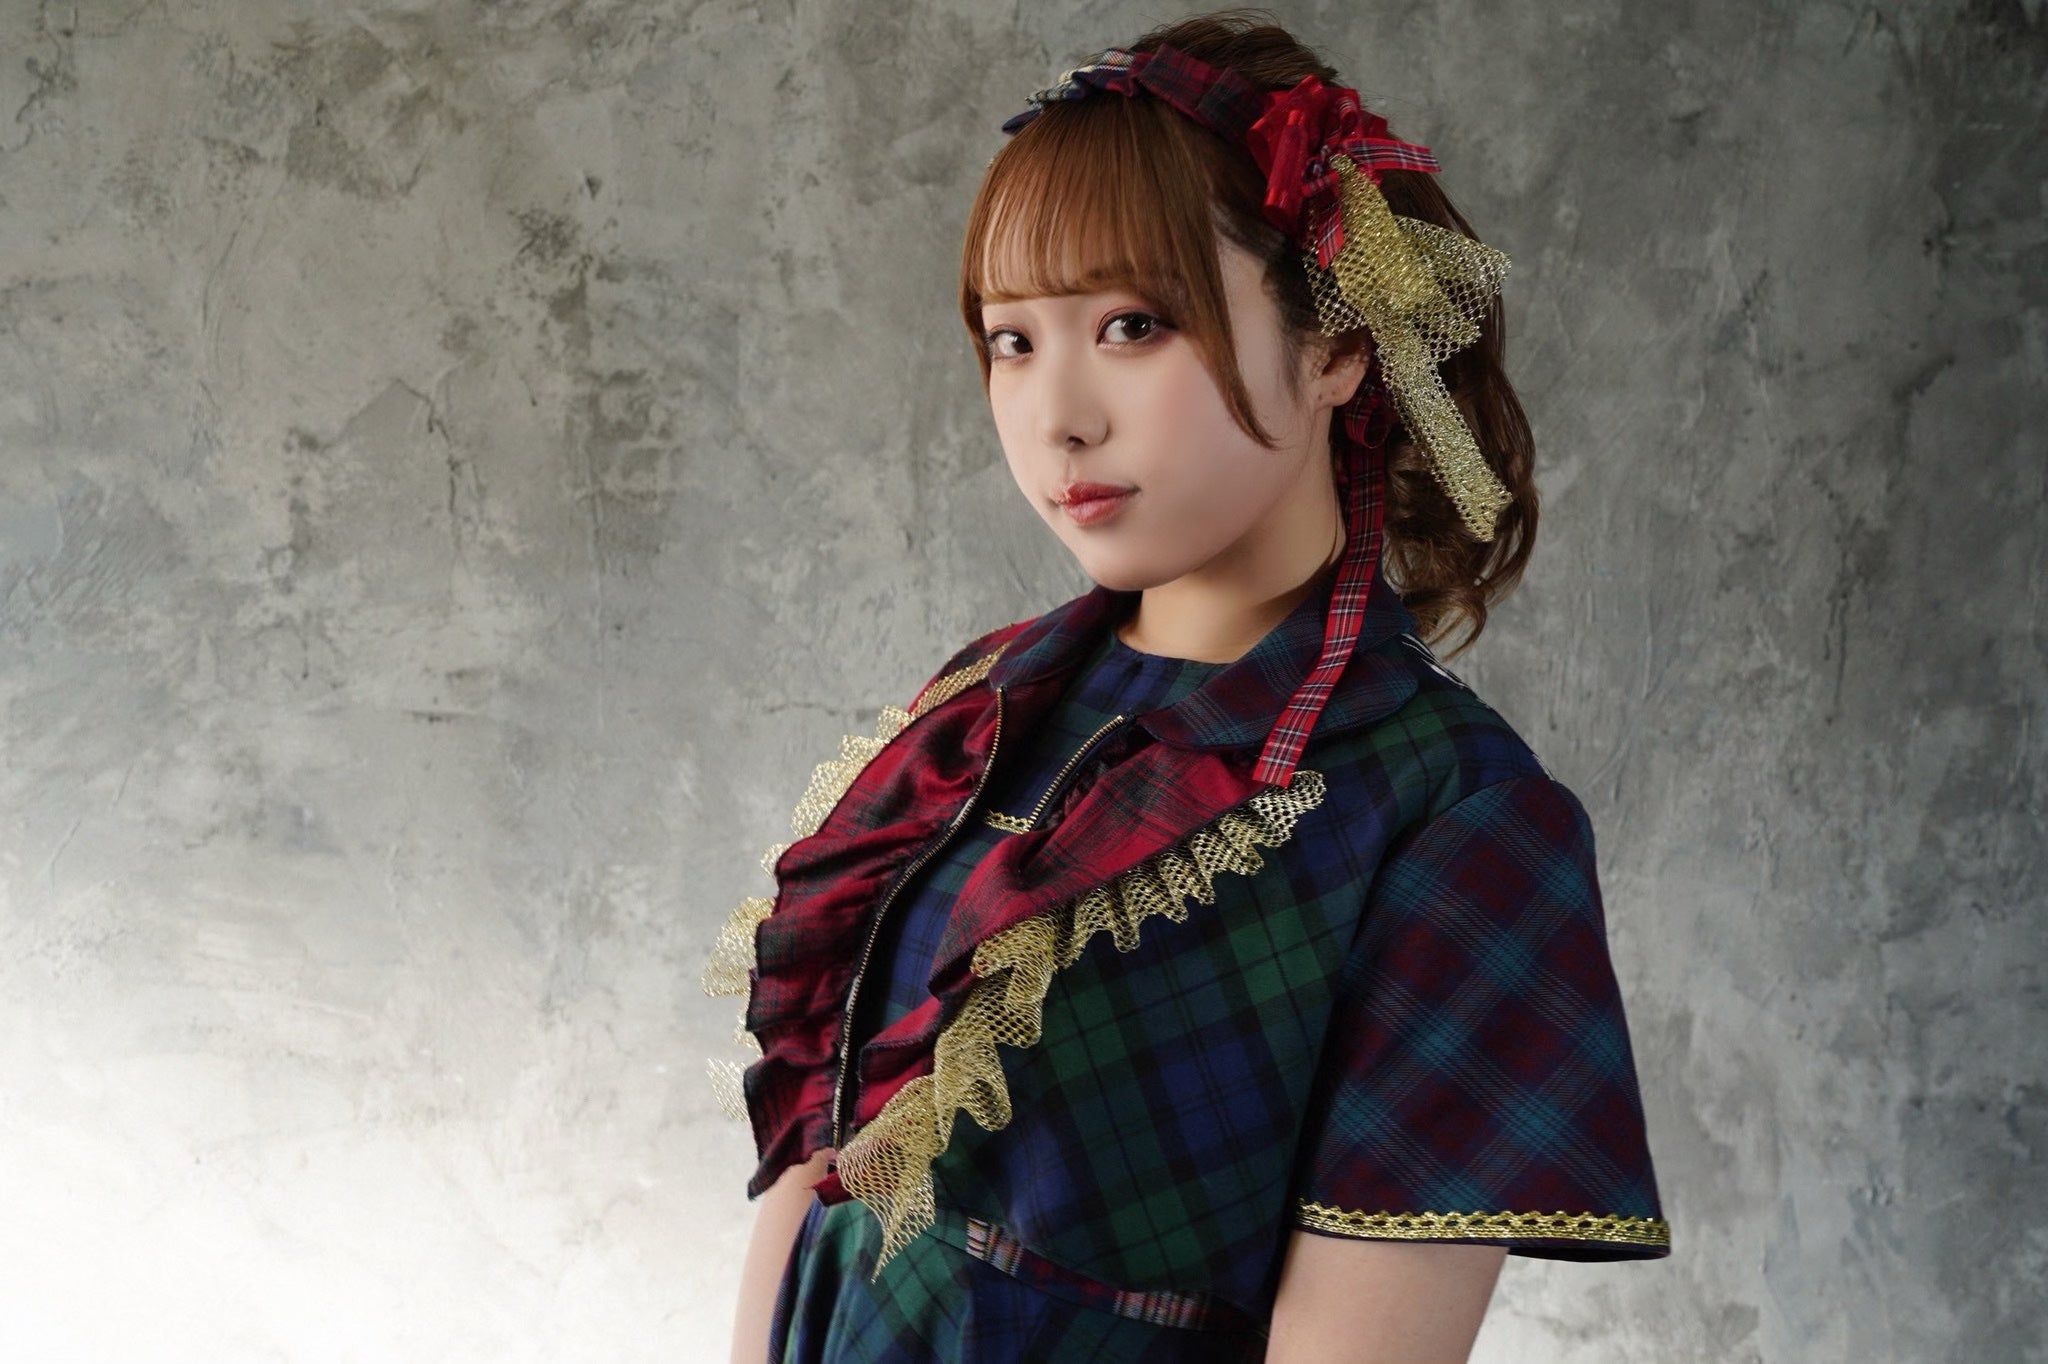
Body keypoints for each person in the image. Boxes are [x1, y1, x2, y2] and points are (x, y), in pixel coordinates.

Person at [702, 10, 1669, 1361]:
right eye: (1012, 340)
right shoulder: (984, 707)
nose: (1058, 417)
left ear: (1337, 346)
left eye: (1132, 325)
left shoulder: (1454, 817)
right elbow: (824, 1179)